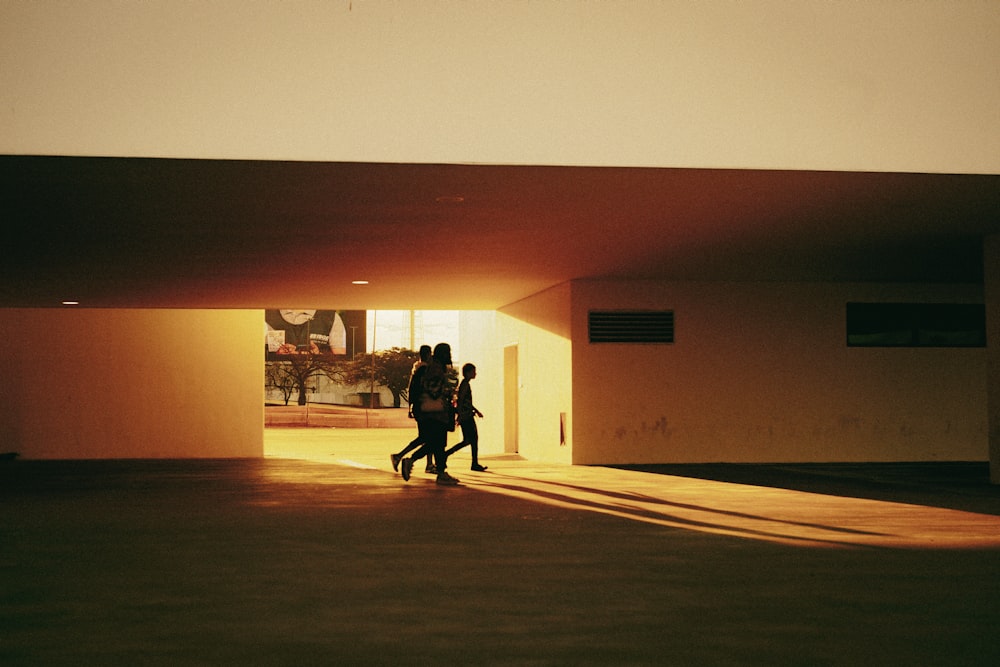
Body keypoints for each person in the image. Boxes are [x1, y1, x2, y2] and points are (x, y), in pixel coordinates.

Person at [401, 342, 460, 485]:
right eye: (448, 351)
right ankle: (415, 462)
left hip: (430, 411)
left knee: (436, 444)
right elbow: (433, 389)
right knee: (437, 443)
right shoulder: (436, 368)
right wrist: (446, 393)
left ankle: (438, 471)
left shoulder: (433, 367)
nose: (450, 354)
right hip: (435, 412)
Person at [391, 345, 435, 474]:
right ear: (427, 354)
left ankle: (429, 463)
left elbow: (411, 389)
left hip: (418, 406)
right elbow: (421, 389)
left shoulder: (417, 369)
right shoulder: (424, 370)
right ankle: (399, 456)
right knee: (426, 437)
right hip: (423, 407)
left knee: (427, 437)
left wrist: (410, 406)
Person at [444, 363, 487, 472]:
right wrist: (460, 415)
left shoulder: (465, 384)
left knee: (468, 440)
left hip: (467, 415)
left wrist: (476, 411)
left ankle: (448, 454)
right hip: (466, 417)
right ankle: (473, 463)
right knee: (471, 439)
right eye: (473, 371)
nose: (475, 373)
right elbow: (461, 400)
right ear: (468, 372)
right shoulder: (465, 385)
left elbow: (466, 401)